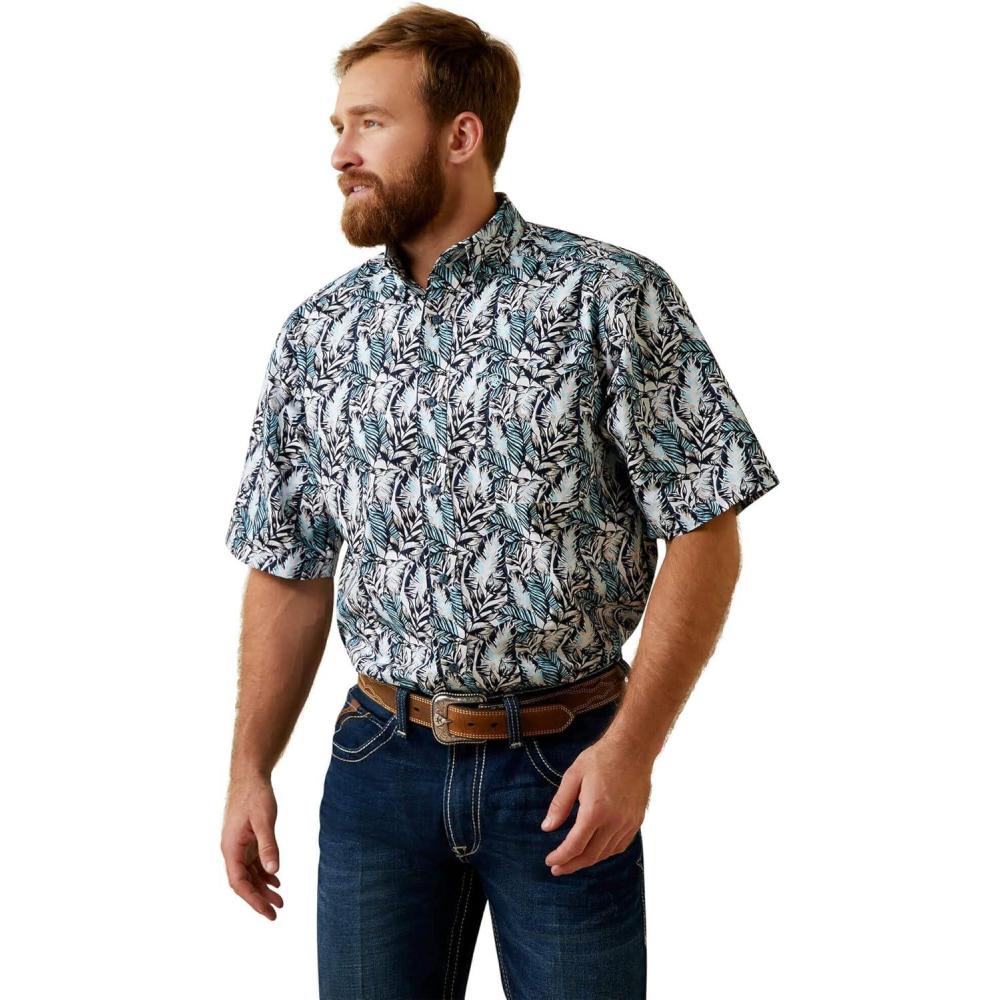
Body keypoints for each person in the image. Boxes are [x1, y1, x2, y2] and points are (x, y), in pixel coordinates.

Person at [219, 5, 779, 998]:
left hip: (564, 770)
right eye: (338, 127)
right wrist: (249, 766)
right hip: (378, 769)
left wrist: (631, 752)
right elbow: (289, 564)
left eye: (369, 123)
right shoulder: (320, 333)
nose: (340, 153)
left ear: (460, 135)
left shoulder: (607, 296)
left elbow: (705, 526)